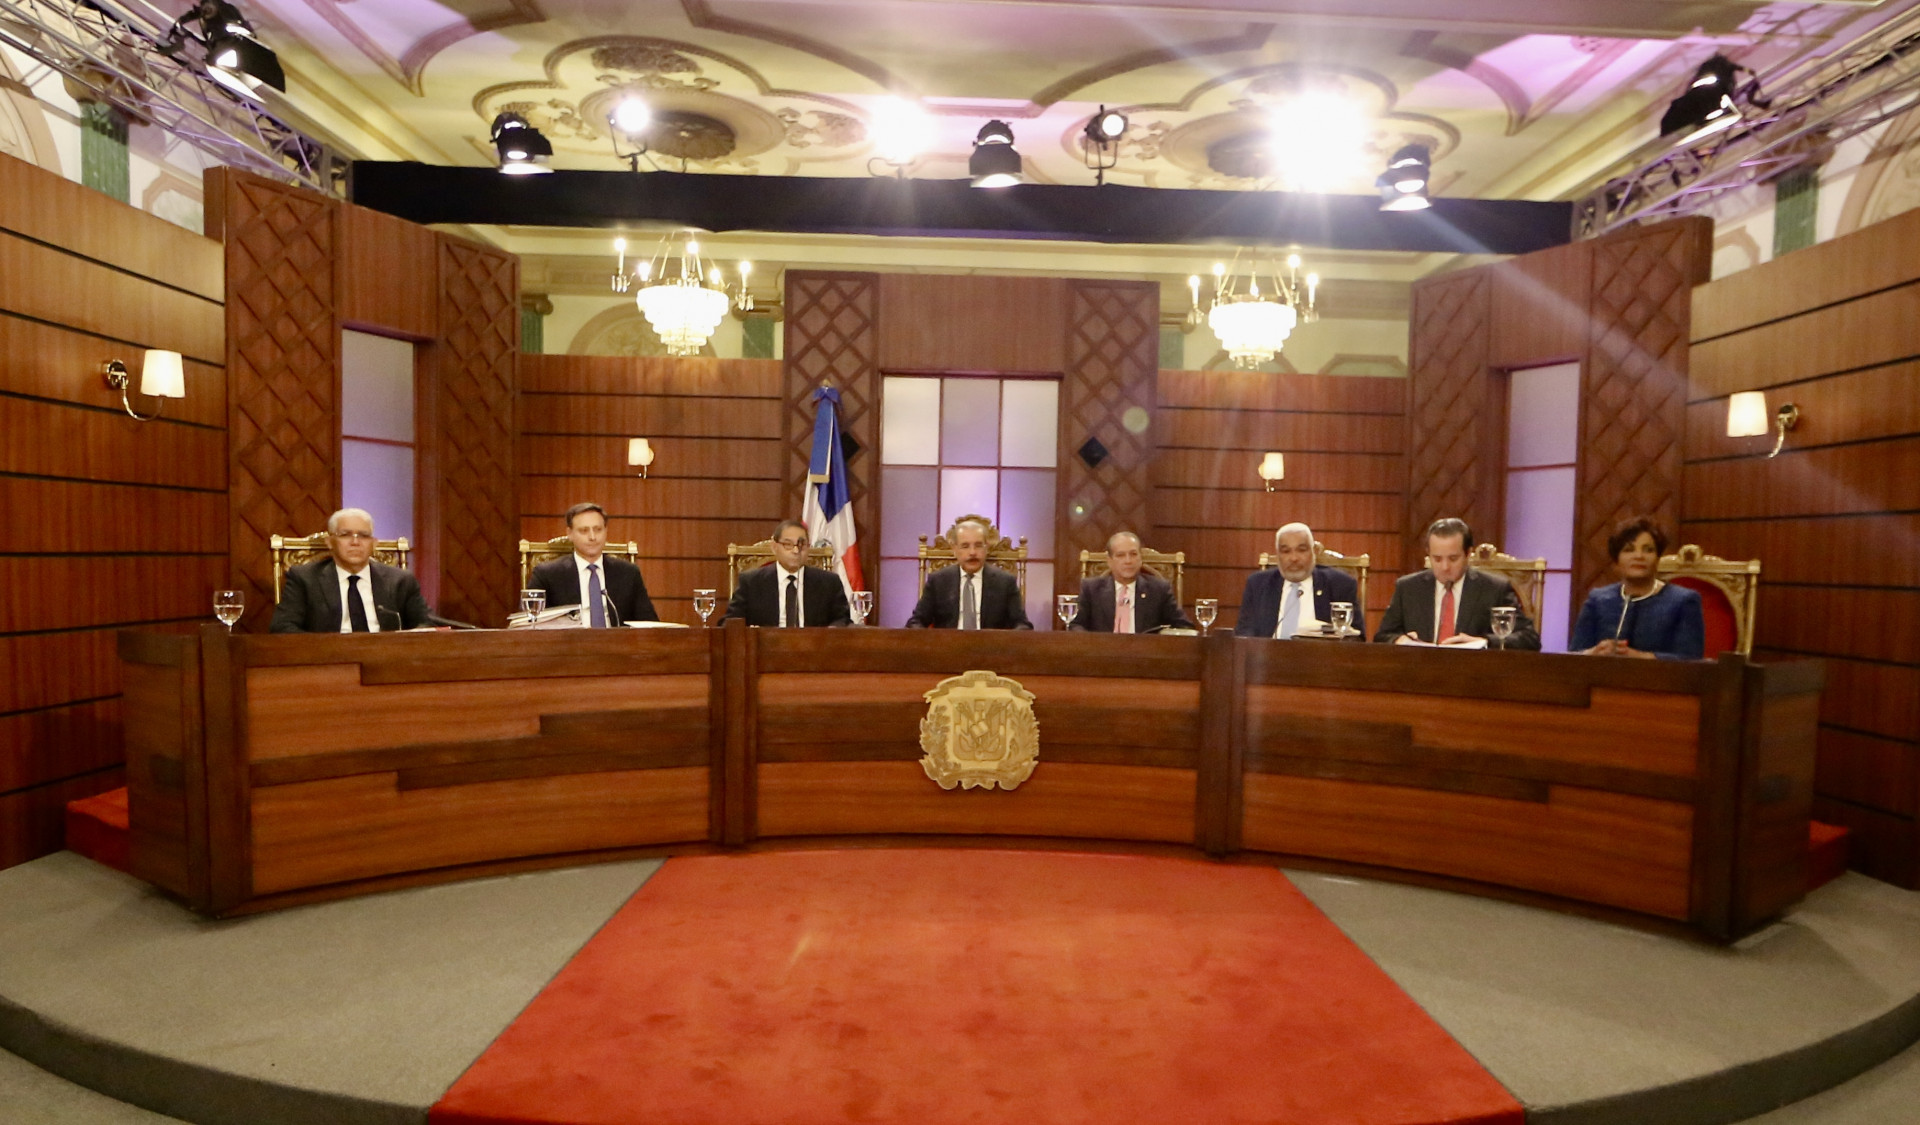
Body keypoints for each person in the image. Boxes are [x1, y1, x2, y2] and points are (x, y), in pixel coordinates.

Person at [1375, 517, 1539, 649]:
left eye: (1453, 559)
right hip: (1420, 672)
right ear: (1428, 554)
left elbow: (1529, 639)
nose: (1445, 567)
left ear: (1468, 554)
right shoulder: (1408, 588)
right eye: (1437, 559)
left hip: (1475, 674)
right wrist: (1400, 640)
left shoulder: (1494, 589)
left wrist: (1484, 642)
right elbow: (1383, 636)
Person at [270, 508, 433, 633]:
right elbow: (283, 627)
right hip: (330, 659)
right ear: (330, 542)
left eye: (363, 535)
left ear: (374, 543)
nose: (355, 542)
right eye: (345, 535)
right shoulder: (305, 578)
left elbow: (427, 623)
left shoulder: (400, 580)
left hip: (387, 656)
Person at [1570, 517, 1705, 660]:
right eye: (1629, 550)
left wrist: (1640, 656)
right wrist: (1594, 652)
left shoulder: (1684, 601)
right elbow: (1574, 656)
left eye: (1648, 550)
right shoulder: (1598, 600)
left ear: (1658, 559)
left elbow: (1691, 660)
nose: (1639, 556)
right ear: (1616, 561)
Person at [527, 502, 658, 627]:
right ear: (570, 534)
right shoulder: (548, 574)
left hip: (617, 641)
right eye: (584, 530)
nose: (592, 537)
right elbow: (529, 623)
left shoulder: (628, 573)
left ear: (606, 531)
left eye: (598, 529)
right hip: (569, 642)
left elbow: (649, 623)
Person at [1235, 522, 1366, 640]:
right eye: (1286, 551)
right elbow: (1244, 633)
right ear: (1278, 555)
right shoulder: (1258, 584)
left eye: (1301, 550)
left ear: (1314, 552)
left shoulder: (1340, 585)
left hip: (1322, 657)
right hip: (1269, 657)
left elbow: (1357, 639)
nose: (1294, 558)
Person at [905, 519, 1032, 630]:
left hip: (991, 648)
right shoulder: (938, 581)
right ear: (954, 549)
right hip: (948, 647)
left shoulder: (1005, 582)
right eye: (965, 546)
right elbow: (916, 622)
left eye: (978, 546)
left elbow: (1022, 624)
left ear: (986, 547)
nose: (972, 552)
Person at [722, 519, 852, 627]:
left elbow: (843, 620)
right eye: (788, 544)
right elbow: (730, 622)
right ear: (774, 547)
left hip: (814, 647)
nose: (796, 551)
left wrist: (832, 631)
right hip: (767, 648)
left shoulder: (829, 582)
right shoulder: (752, 582)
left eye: (801, 544)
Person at [1070, 531, 1194, 633]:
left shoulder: (1159, 590)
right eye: (1121, 555)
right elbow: (1075, 625)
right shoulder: (1091, 589)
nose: (1128, 561)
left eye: (1133, 554)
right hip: (1101, 653)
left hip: (1146, 654)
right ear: (1110, 561)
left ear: (1140, 558)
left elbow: (1184, 627)